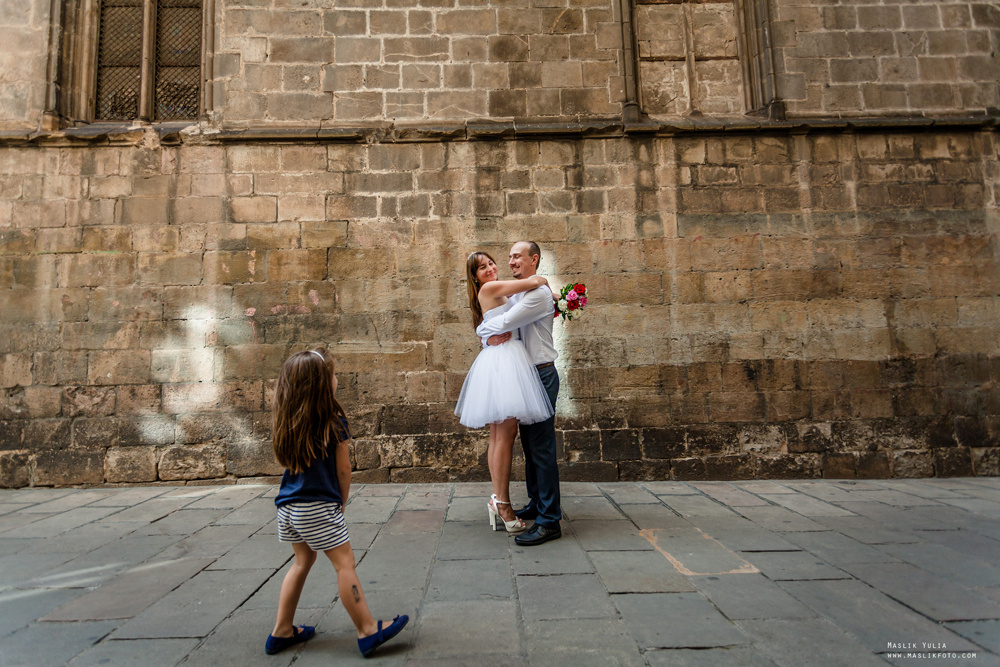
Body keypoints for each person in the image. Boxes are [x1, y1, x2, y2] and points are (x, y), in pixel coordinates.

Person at [266, 348, 409, 657]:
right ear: (320, 384)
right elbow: (343, 469)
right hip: (318, 507)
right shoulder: (334, 421)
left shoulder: (287, 419)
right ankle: (368, 629)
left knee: (302, 562)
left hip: (288, 507)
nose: (336, 379)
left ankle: (282, 630)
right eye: (332, 374)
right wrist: (341, 501)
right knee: (345, 563)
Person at [455, 251, 554, 534]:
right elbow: (532, 283)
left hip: (504, 360)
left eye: (490, 263)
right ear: (475, 277)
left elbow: (514, 306)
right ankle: (502, 503)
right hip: (505, 363)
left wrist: (485, 333)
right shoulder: (490, 288)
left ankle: (498, 499)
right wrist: (543, 281)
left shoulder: (496, 289)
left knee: (500, 436)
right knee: (504, 436)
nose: (489, 268)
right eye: (481, 268)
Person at [476, 241, 562, 547]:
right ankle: (538, 505)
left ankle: (550, 520)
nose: (510, 261)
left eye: (517, 257)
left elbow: (506, 323)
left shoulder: (535, 295)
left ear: (533, 260)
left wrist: (482, 330)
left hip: (541, 372)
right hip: (527, 375)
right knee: (529, 445)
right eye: (509, 257)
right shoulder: (523, 292)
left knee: (541, 448)